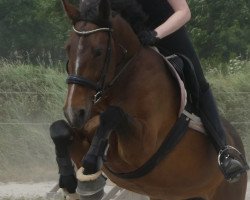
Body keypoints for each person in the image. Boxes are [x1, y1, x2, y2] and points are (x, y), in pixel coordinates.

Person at [111, 0, 249, 182]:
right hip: (129, 43)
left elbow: (184, 12)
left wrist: (155, 34)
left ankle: (224, 152)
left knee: (199, 84)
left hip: (168, 37)